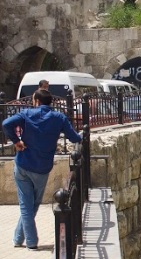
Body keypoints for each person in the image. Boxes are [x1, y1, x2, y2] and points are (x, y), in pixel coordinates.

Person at [2, 88, 82, 250]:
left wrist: (16, 141)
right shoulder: (58, 117)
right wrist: (81, 136)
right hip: (42, 167)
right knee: (32, 204)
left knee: (27, 204)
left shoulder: (26, 114)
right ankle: (26, 241)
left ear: (36, 101)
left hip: (23, 164)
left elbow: (6, 124)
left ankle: (22, 239)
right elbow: (74, 137)